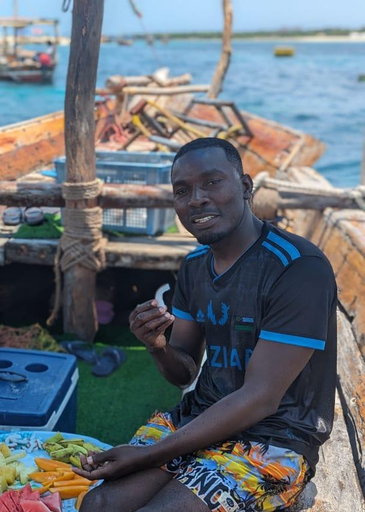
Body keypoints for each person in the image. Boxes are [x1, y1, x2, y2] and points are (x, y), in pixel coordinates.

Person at [77, 137, 337, 512]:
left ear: (246, 187)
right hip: (200, 419)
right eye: (182, 190)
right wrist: (157, 346)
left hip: (274, 436)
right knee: (99, 505)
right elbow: (184, 373)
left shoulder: (298, 267)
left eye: (212, 182)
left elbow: (261, 398)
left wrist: (147, 455)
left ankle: (294, 493)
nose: (196, 198)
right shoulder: (196, 265)